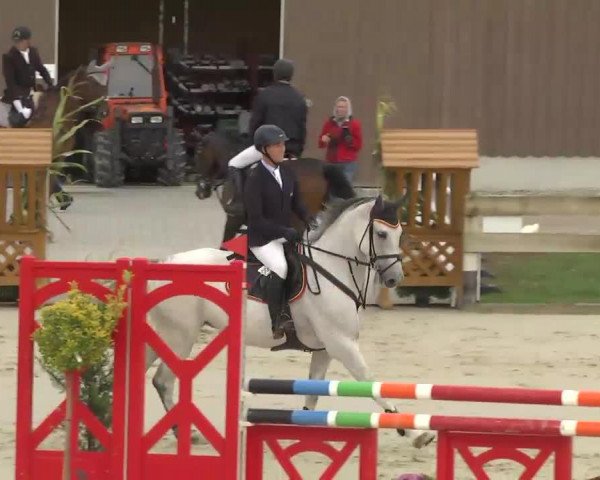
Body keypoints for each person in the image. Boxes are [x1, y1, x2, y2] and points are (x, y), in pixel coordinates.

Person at [244, 125, 314, 340]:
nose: (282, 148)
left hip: (284, 234)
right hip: (263, 239)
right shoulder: (255, 178)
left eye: (283, 144)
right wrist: (283, 231)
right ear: (264, 149)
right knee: (281, 267)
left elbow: (297, 204)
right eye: (277, 145)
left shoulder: (287, 172)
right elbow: (255, 219)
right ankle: (278, 320)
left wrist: (310, 219)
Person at [249, 58, 308, 158]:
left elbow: (255, 124)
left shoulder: (264, 95)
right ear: (291, 75)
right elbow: (302, 128)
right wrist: (299, 150)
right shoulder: (299, 98)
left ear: (274, 74)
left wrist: (252, 144)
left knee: (235, 164)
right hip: (292, 150)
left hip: (268, 148)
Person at [1, 26, 53, 127]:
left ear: (28, 40)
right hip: (17, 95)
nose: (18, 44)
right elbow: (10, 82)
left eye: (21, 41)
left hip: (32, 92)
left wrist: (50, 84)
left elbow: (41, 69)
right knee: (18, 120)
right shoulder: (8, 57)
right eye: (17, 41)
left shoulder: (33, 52)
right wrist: (20, 108)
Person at [318, 96, 363, 183]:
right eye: (339, 107)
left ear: (348, 109)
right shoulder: (329, 123)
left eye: (343, 107)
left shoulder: (354, 124)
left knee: (345, 192)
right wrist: (323, 140)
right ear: (335, 108)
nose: (341, 109)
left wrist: (349, 139)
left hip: (347, 163)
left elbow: (358, 145)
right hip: (332, 162)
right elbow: (321, 143)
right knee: (331, 191)